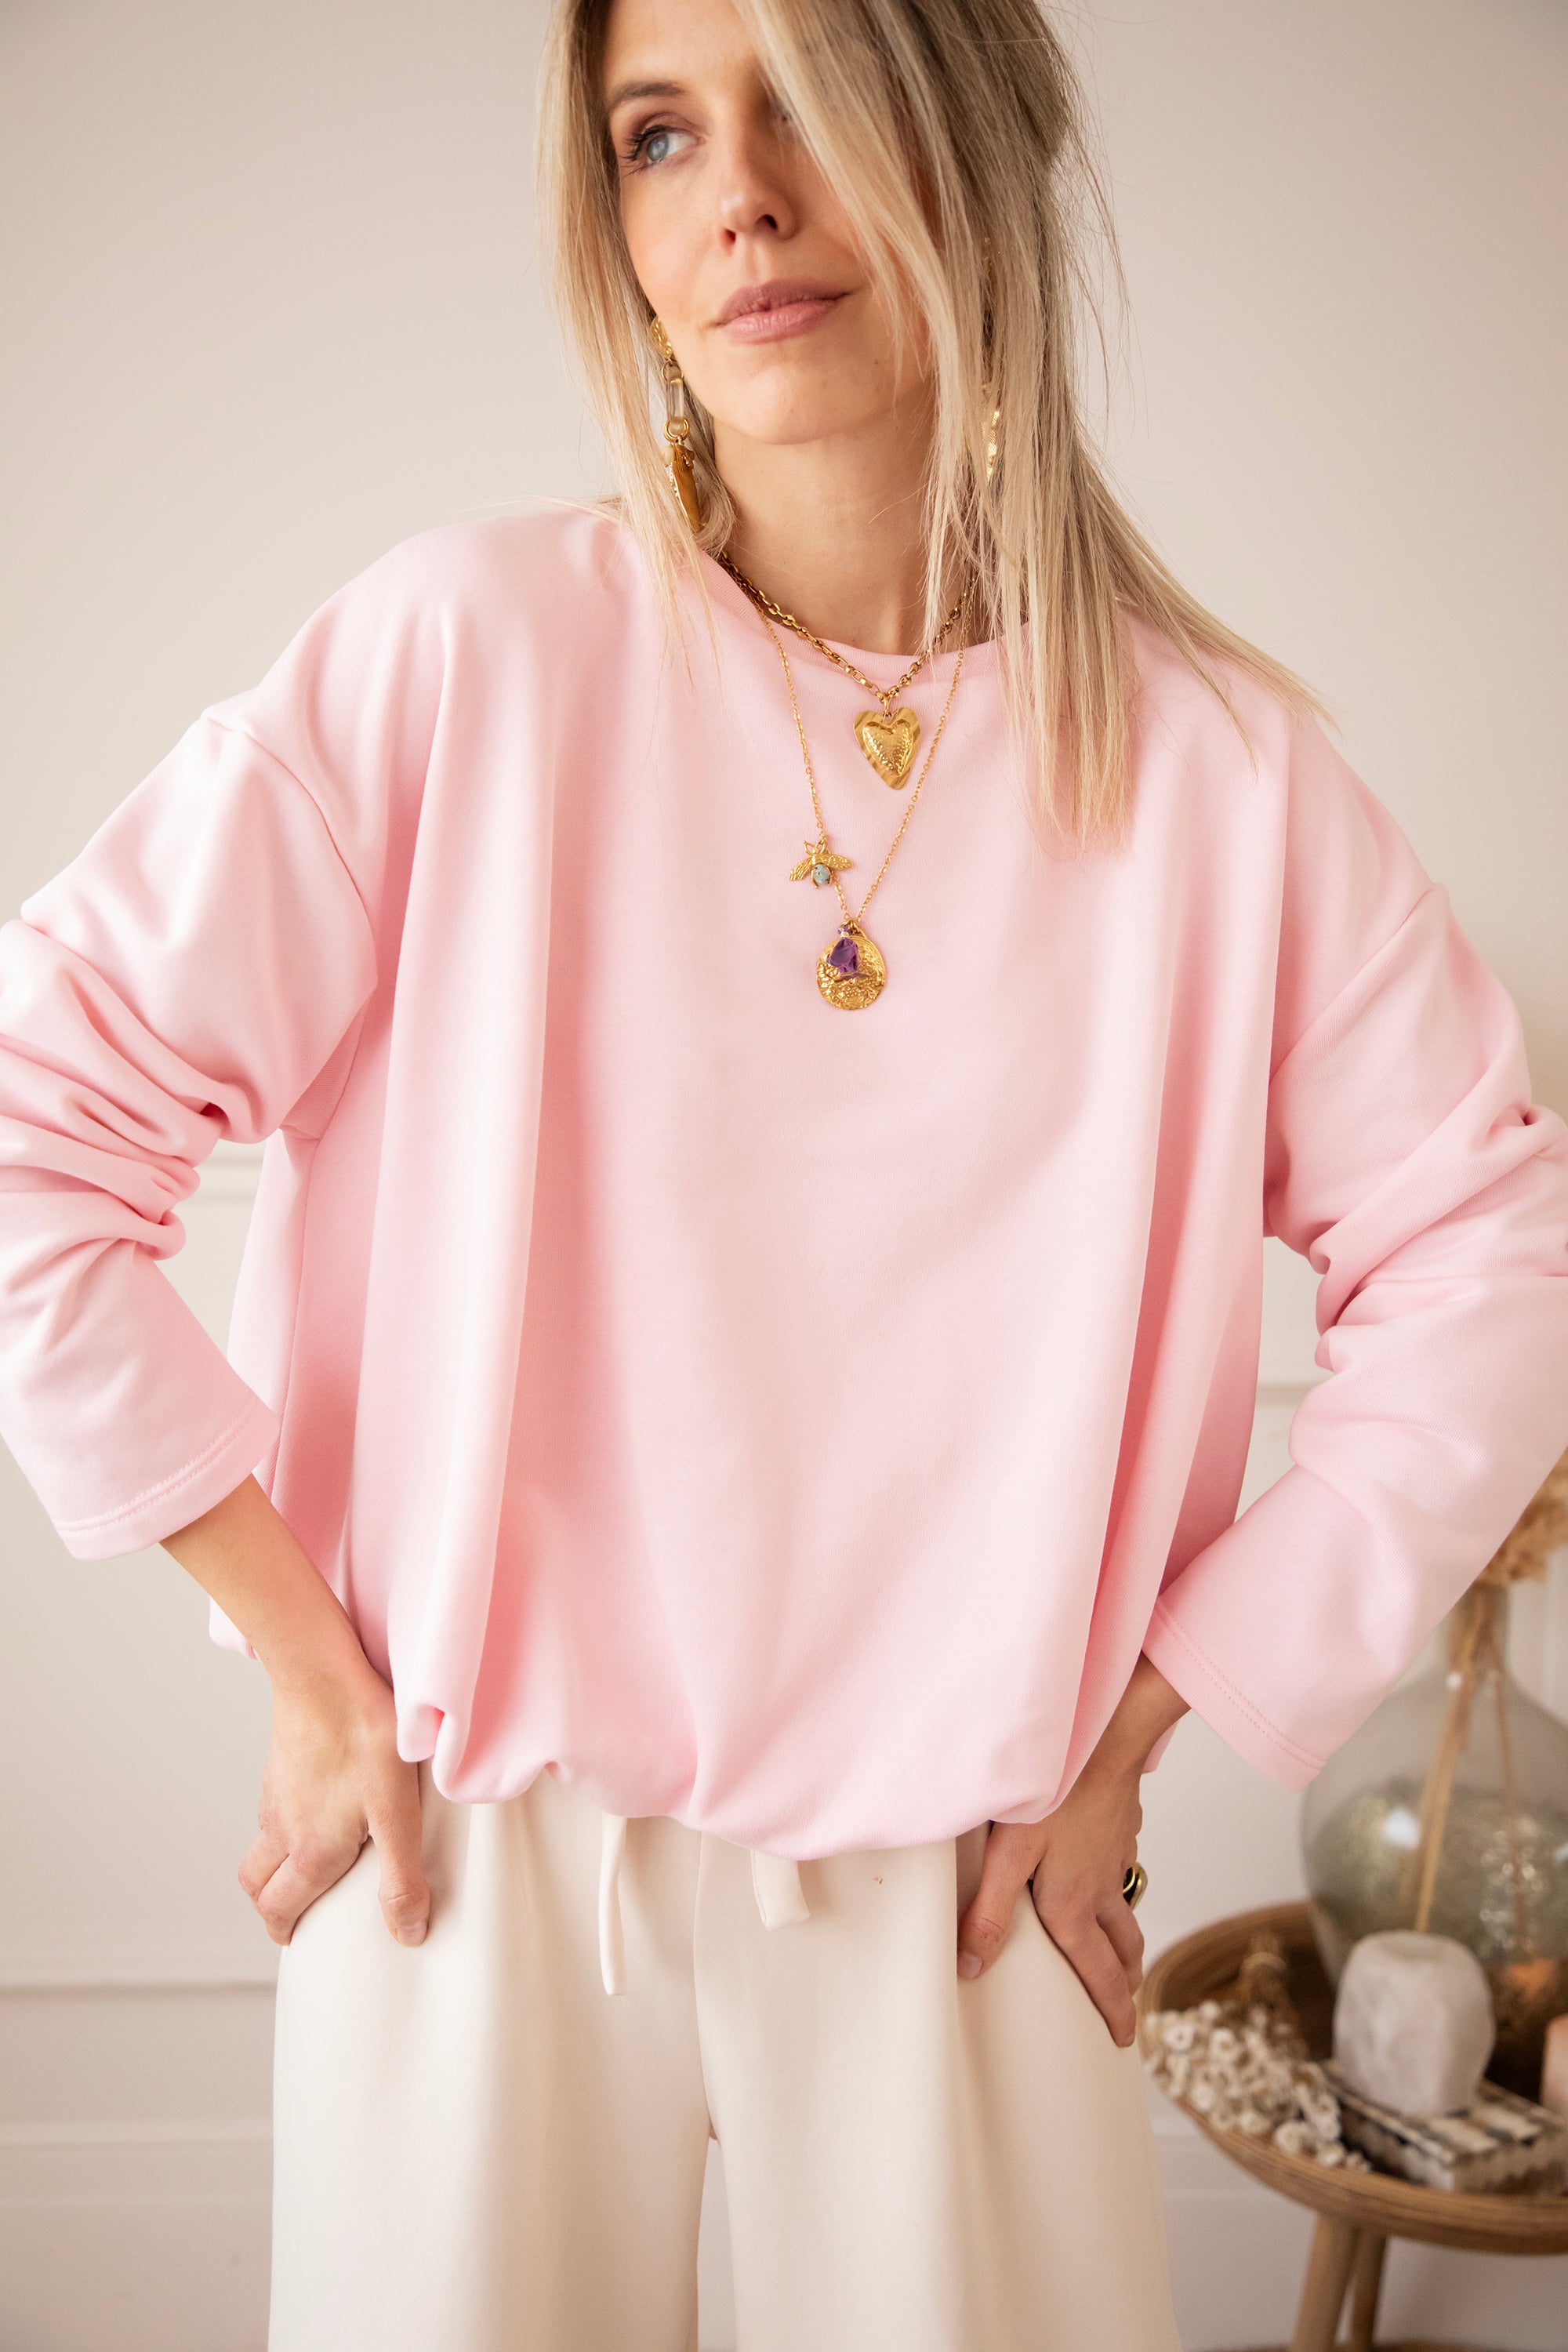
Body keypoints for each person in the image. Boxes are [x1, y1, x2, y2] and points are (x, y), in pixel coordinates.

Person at [2, 0, 1566, 2346]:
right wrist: (310, 1670)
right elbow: (39, 1119)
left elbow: (1495, 1266)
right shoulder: (464, 656)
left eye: (810, 104)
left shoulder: (1220, 781)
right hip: (468, 1848)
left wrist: (1164, 1712)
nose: (737, 193)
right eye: (658, 133)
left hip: (974, 1879)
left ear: (974, 139)